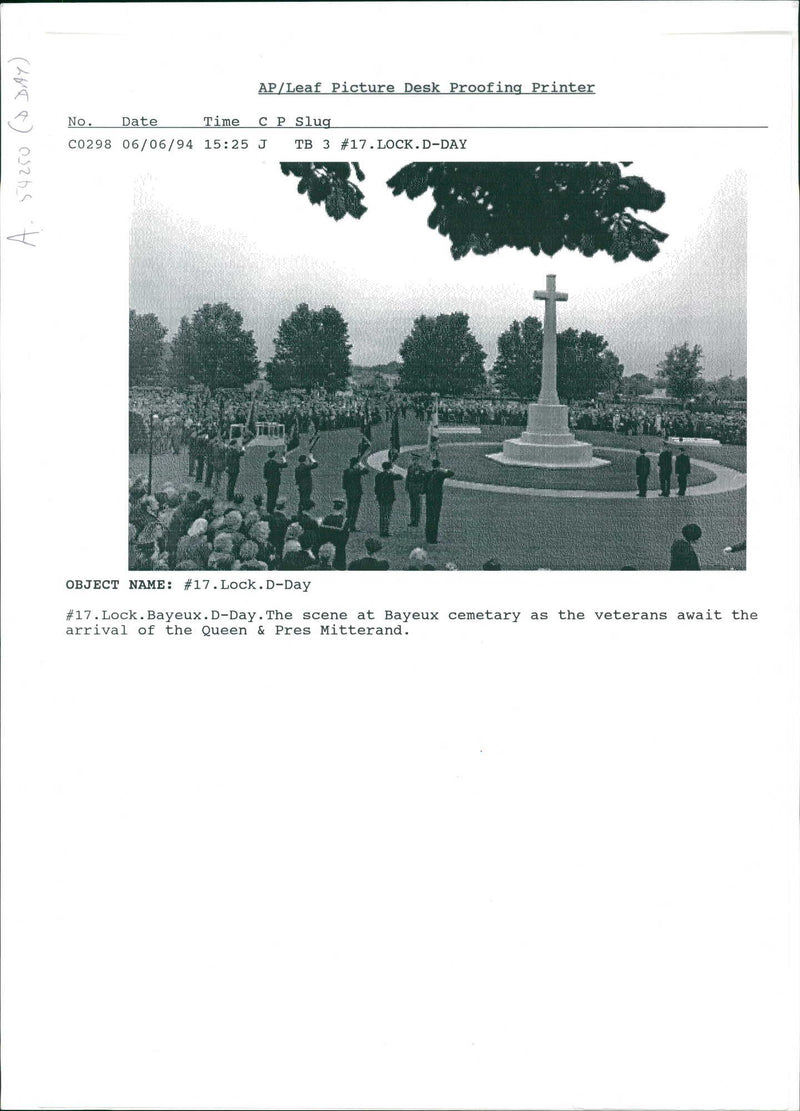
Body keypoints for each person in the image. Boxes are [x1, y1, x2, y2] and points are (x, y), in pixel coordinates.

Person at [424, 458, 454, 543]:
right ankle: (433, 538)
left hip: (429, 497)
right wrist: (444, 469)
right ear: (439, 466)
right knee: (435, 517)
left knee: (429, 517)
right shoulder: (440, 474)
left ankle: (428, 536)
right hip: (437, 497)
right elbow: (451, 473)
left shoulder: (428, 473)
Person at [319, 498, 350, 570]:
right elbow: (345, 538)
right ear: (342, 508)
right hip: (339, 550)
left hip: (326, 548)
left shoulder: (326, 519)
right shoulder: (344, 521)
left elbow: (321, 535)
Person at [374, 460, 403, 537]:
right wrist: (393, 472)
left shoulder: (378, 476)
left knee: (382, 514)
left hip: (381, 497)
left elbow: (376, 488)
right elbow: (400, 477)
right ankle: (385, 531)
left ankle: (381, 530)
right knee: (387, 514)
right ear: (389, 468)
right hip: (389, 497)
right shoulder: (390, 475)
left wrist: (377, 495)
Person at [342, 456, 369, 531]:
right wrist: (361, 465)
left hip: (349, 493)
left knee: (349, 509)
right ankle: (352, 526)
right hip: (357, 493)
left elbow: (344, 485)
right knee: (355, 510)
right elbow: (366, 471)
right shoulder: (357, 471)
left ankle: (346, 525)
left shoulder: (346, 471)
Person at [405, 453, 428, 526]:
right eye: (413, 460)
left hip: (418, 488)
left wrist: (423, 489)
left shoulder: (421, 468)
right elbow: (408, 478)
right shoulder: (410, 467)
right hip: (411, 488)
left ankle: (416, 521)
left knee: (417, 505)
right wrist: (407, 487)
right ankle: (412, 520)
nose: (414, 461)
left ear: (419, 460)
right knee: (412, 505)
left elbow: (424, 479)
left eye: (416, 460)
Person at [263, 449, 287, 513]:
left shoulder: (267, 463)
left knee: (269, 496)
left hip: (269, 482)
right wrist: (284, 458)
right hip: (275, 482)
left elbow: (265, 475)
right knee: (274, 496)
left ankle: (268, 508)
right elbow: (285, 465)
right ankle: (272, 509)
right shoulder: (275, 463)